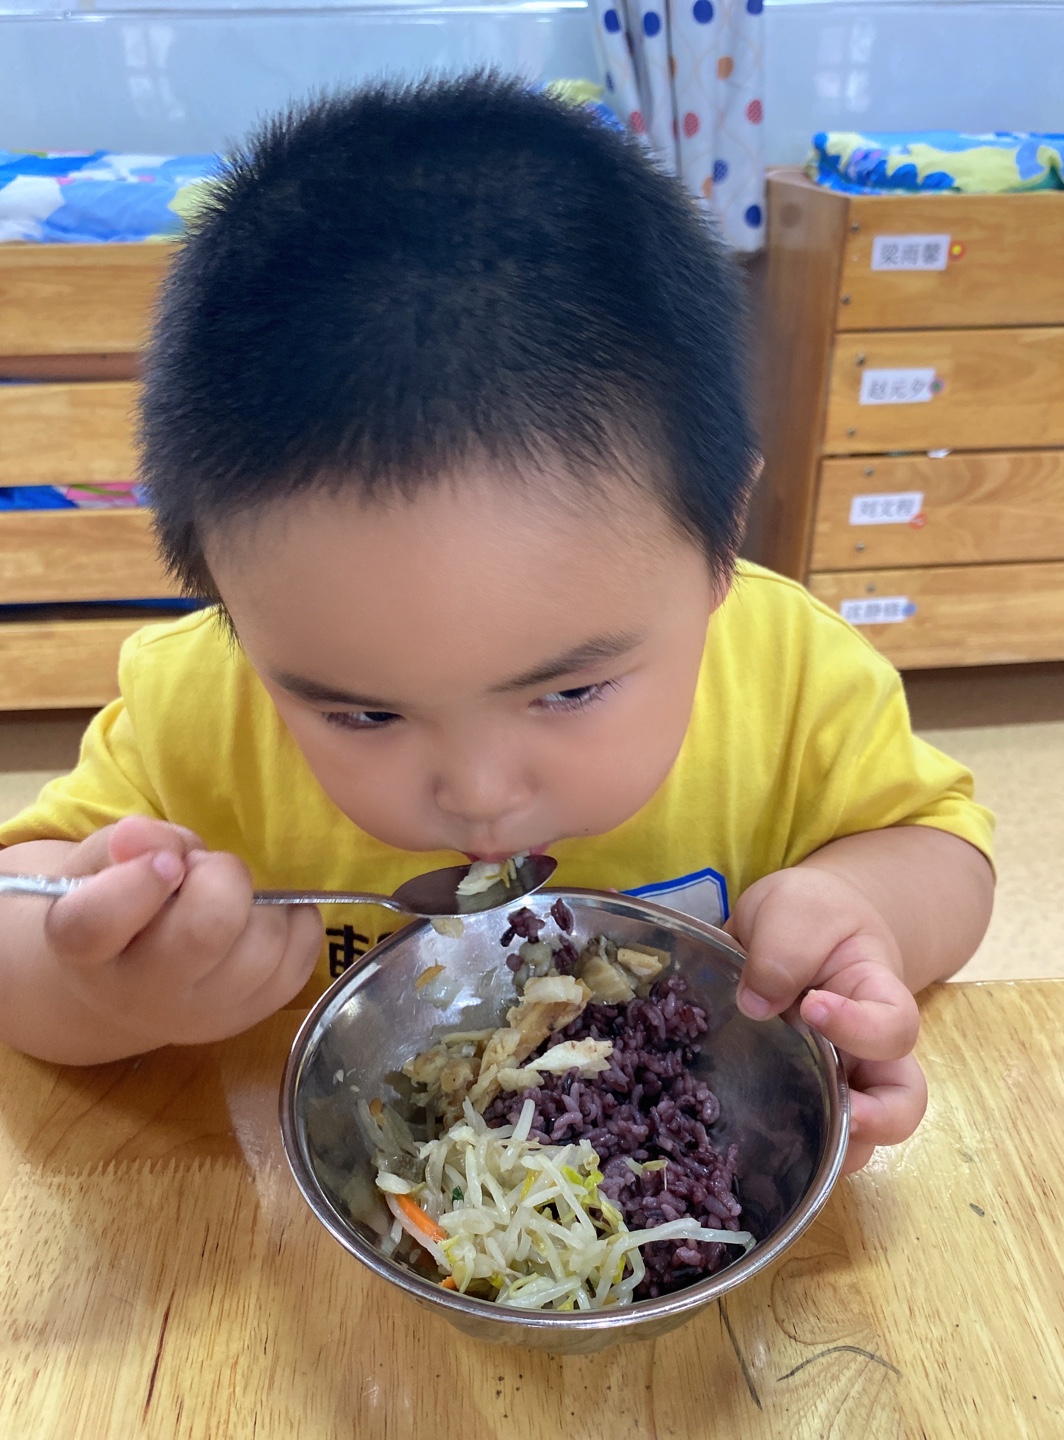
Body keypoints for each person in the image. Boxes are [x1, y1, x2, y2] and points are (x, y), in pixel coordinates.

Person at [0, 76, 993, 1173]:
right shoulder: (198, 712)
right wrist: (99, 988)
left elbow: (947, 853)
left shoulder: (794, 674)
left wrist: (863, 909)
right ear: (232, 608)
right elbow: (20, 914)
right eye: (365, 714)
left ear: (721, 541)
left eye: (569, 691)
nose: (478, 794)